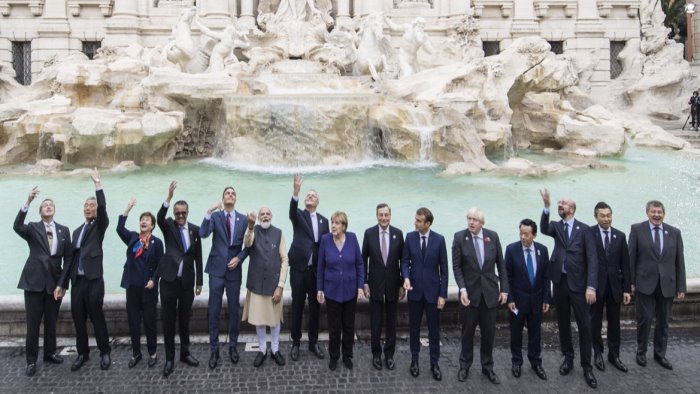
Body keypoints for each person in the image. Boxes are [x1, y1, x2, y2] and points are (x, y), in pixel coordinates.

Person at [539, 189, 598, 389]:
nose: (559, 205)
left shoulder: (585, 230)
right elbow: (543, 228)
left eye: (562, 203)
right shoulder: (556, 226)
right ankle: (568, 359)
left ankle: (587, 366)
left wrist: (591, 286)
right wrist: (546, 207)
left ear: (571, 209)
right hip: (560, 282)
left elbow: (592, 259)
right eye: (558, 204)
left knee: (584, 326)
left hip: (580, 285)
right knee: (562, 323)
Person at [14, 187, 72, 377]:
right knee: (33, 323)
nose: (48, 207)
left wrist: (62, 284)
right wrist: (27, 202)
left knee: (51, 322)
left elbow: (69, 260)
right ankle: (31, 361)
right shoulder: (32, 227)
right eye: (45, 205)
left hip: (54, 283)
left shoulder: (64, 230)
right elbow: (16, 226)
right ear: (40, 212)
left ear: (54, 210)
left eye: (51, 205)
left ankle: (49, 353)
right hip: (33, 281)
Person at [57, 169, 111, 372]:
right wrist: (62, 284)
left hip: (94, 279)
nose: (88, 208)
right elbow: (70, 260)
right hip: (77, 282)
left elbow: (104, 208)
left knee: (97, 317)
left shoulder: (99, 227)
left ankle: (105, 352)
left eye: (91, 206)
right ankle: (82, 353)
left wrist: (98, 184)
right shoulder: (77, 231)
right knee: (78, 319)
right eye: (86, 206)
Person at [452, 207, 508, 385]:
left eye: (474, 219)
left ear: (482, 222)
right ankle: (465, 365)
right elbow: (457, 267)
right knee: (467, 332)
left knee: (489, 334)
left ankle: (487, 367)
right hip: (470, 295)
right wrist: (462, 289)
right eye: (468, 218)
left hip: (490, 294)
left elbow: (501, 264)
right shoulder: (459, 237)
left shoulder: (493, 236)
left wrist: (504, 289)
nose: (471, 222)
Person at [629, 200, 686, 370]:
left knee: (663, 322)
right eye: (653, 212)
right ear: (647, 213)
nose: (656, 215)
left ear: (664, 214)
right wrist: (630, 282)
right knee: (644, 320)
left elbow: (679, 262)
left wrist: (681, 287)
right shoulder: (637, 230)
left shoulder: (674, 233)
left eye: (659, 212)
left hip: (667, 285)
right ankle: (641, 352)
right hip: (644, 284)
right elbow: (631, 258)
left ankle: (660, 354)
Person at [157, 181, 203, 377]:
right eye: (178, 213)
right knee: (168, 321)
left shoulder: (195, 230)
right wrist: (169, 197)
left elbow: (199, 257)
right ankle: (169, 359)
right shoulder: (168, 226)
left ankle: (185, 353)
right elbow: (159, 217)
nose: (181, 215)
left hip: (186, 283)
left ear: (188, 213)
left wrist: (199, 281)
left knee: (184, 320)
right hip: (168, 282)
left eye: (183, 212)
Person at [200, 186, 249, 369]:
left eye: (233, 193)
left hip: (234, 271)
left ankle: (233, 346)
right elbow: (203, 234)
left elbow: (248, 246)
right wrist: (209, 211)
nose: (230, 195)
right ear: (223, 198)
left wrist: (239, 258)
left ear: (235, 199)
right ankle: (214, 349)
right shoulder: (215, 217)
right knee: (213, 310)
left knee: (234, 309)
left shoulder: (244, 219)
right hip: (216, 270)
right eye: (227, 193)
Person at [401, 207, 448, 381]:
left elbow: (444, 270)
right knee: (413, 328)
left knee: (434, 331)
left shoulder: (439, 240)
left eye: (419, 221)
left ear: (427, 223)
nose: (415, 222)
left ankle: (434, 363)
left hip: (433, 294)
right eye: (415, 219)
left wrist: (443, 295)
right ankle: (414, 360)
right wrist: (405, 277)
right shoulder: (410, 237)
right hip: (414, 293)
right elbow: (405, 261)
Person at [116, 198, 164, 369]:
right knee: (133, 323)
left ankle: (152, 353)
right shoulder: (132, 238)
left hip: (149, 289)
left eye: (147, 220)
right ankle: (136, 353)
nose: (144, 221)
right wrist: (127, 209)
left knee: (150, 324)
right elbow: (119, 228)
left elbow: (160, 265)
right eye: (142, 219)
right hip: (132, 288)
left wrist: (154, 279)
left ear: (152, 225)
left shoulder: (157, 243)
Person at [317, 211, 365, 371]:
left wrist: (360, 286)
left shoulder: (352, 238)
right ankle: (334, 356)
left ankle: (347, 355)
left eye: (337, 223)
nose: (333, 226)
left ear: (344, 226)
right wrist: (320, 289)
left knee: (349, 327)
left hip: (350, 291)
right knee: (334, 327)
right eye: (332, 222)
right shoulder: (325, 240)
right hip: (332, 291)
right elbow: (321, 266)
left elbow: (359, 264)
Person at [288, 174, 329, 361]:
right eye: (308, 195)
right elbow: (291, 211)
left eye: (313, 195)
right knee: (296, 307)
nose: (310, 197)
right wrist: (296, 192)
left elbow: (325, 245)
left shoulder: (324, 221)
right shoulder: (298, 215)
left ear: (318, 201)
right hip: (298, 269)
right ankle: (295, 342)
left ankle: (313, 342)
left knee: (315, 308)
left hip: (315, 272)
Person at [242, 207, 289, 368]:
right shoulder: (252, 230)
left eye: (268, 213)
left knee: (275, 320)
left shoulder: (279, 233)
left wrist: (281, 286)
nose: (265, 216)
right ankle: (262, 349)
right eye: (262, 214)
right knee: (259, 319)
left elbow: (285, 260)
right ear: (259, 217)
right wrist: (249, 226)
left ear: (272, 216)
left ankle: (275, 349)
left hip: (274, 285)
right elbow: (247, 243)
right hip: (256, 284)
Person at [587, 202, 631, 373]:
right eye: (602, 215)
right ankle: (597, 353)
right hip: (595, 287)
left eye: (608, 215)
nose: (606, 219)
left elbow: (625, 265)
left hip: (615, 287)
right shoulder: (589, 234)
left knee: (615, 323)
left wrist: (627, 288)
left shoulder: (620, 236)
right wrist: (588, 286)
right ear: (596, 217)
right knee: (594, 322)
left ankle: (614, 355)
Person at [504, 219, 551, 381]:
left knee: (535, 334)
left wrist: (546, 298)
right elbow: (507, 277)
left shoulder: (543, 251)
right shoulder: (511, 250)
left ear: (534, 235)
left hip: (536, 301)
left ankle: (536, 362)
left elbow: (546, 277)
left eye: (526, 234)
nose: (523, 237)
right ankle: (516, 362)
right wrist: (509, 298)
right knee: (516, 334)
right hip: (517, 301)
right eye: (521, 233)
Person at [361, 203, 404, 371]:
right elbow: (363, 259)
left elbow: (404, 261)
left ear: (390, 215)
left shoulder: (398, 234)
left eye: (386, 215)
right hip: (375, 284)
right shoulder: (369, 233)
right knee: (376, 321)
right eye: (381, 215)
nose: (383, 218)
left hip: (393, 284)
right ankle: (376, 354)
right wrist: (364, 282)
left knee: (392, 322)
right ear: (376, 216)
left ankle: (389, 354)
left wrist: (402, 283)